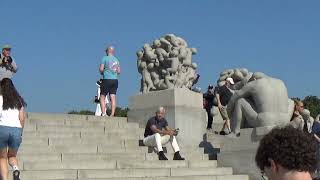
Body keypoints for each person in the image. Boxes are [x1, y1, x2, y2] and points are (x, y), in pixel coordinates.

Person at [0, 78, 27, 180]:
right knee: (12, 156)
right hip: (16, 130)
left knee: (2, 158)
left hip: (2, 129)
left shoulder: (0, 98)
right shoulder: (18, 100)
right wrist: (20, 132)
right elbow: (22, 117)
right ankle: (16, 170)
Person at [99, 46, 120, 117]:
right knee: (113, 97)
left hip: (107, 79)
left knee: (102, 96)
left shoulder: (104, 58)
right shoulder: (116, 60)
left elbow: (101, 69)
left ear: (107, 51)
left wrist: (102, 72)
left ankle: (103, 113)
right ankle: (112, 114)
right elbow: (119, 71)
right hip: (115, 80)